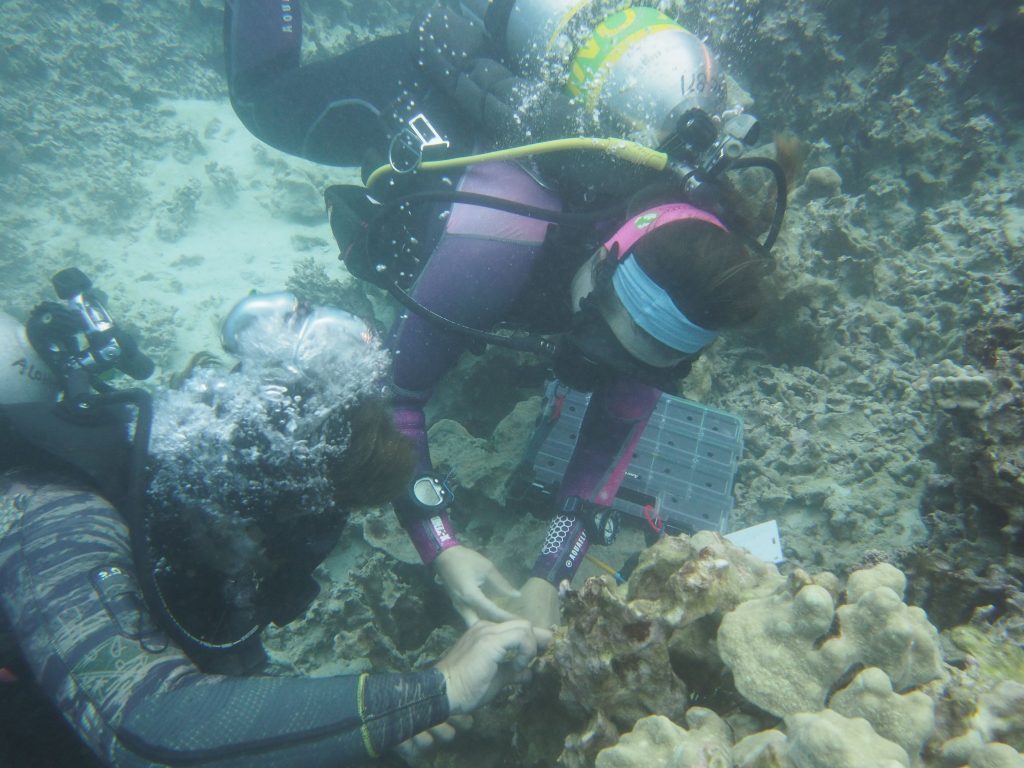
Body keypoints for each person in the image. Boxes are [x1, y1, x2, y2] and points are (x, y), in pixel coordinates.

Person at [224, 0, 785, 629]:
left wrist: (552, 573)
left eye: (635, 358)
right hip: (431, 90)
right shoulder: (494, 246)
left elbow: (612, 436)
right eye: (593, 332)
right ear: (605, 256)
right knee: (264, 102)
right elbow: (400, 397)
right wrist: (443, 546)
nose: (588, 361)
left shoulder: (683, 280)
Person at [0, 271, 548, 768]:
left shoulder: (219, 536)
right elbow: (145, 726)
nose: (302, 554)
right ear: (261, 498)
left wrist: (378, 727)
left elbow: (231, 702)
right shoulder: (55, 512)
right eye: (310, 524)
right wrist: (437, 689)